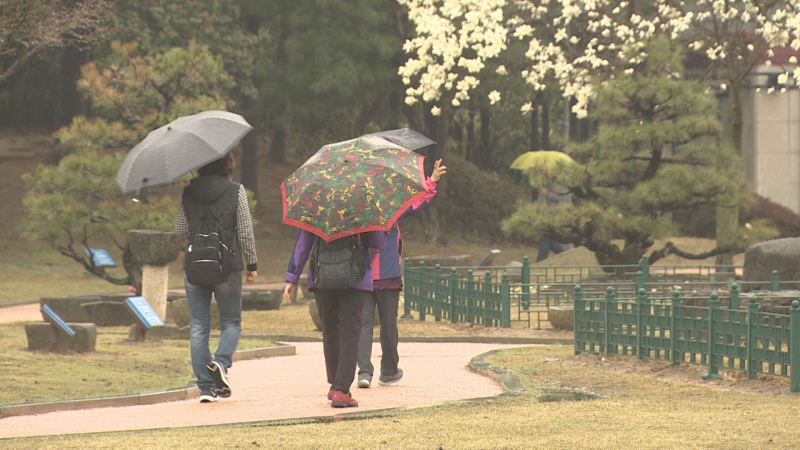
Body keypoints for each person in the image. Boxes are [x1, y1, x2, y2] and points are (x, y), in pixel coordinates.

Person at [175, 151, 258, 403]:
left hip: (195, 265)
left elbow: (180, 229)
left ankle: (205, 388)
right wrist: (251, 262)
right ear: (227, 164)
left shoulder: (188, 192)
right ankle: (221, 363)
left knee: (199, 325)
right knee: (231, 322)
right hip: (227, 266)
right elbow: (244, 230)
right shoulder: (236, 191)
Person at [356, 159, 447, 389]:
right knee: (388, 324)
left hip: (362, 274)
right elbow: (417, 202)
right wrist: (432, 180)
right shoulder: (390, 206)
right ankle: (388, 371)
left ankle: (364, 372)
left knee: (364, 324)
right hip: (387, 273)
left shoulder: (357, 208)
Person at [284, 229, 387, 408]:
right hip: (356, 277)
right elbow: (377, 242)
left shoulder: (315, 205)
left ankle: (335, 384)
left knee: (330, 330)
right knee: (350, 333)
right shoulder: (362, 205)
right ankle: (342, 389)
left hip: (322, 276)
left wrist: (293, 277)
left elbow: (304, 243)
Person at [535, 184, 574, 262]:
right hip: (546, 217)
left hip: (559, 216)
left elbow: (565, 199)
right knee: (545, 237)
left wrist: (547, 194)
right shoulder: (545, 182)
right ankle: (541, 261)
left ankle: (542, 260)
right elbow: (541, 199)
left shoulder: (563, 184)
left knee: (553, 239)